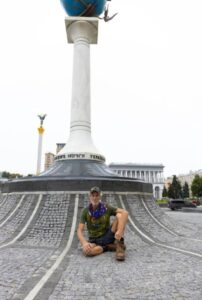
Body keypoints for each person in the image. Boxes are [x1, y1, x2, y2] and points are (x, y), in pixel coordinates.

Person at [77, 186, 128, 261]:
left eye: (97, 195)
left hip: (107, 235)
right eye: (93, 196)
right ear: (90, 197)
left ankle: (119, 245)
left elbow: (125, 213)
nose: (94, 198)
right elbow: (79, 230)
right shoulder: (85, 211)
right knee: (88, 252)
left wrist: (120, 231)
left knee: (119, 215)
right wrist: (84, 243)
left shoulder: (106, 207)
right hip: (94, 240)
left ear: (100, 196)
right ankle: (108, 247)